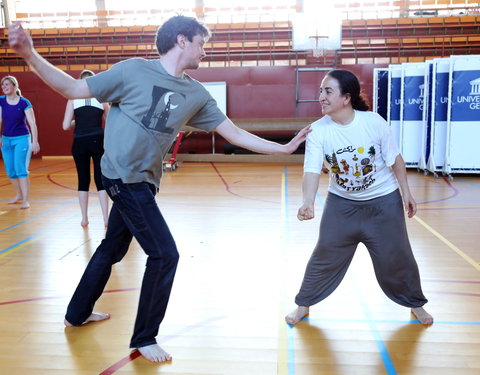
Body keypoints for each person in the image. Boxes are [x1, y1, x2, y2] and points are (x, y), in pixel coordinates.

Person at [8, 15, 310, 363]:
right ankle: (144, 337)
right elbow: (74, 90)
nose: (204, 52)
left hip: (145, 182)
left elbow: (235, 133)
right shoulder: (132, 70)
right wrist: (29, 54)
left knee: (111, 247)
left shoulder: (195, 93)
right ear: (182, 40)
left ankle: (76, 313)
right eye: (202, 43)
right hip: (122, 179)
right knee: (165, 254)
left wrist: (285, 148)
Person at [285, 69, 433, 327]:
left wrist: (406, 193)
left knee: (397, 256)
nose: (321, 96)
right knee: (324, 255)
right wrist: (307, 201)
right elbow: (311, 170)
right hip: (341, 207)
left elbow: (395, 159)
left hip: (383, 204)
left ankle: (415, 304)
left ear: (346, 97)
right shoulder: (318, 131)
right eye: (320, 91)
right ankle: (303, 305)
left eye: (327, 91)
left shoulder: (372, 122)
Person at [62, 69, 110, 227]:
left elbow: (65, 126)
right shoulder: (102, 98)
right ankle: (106, 219)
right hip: (98, 141)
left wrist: (78, 122)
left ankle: (84, 218)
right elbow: (110, 122)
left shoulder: (73, 99)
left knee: (83, 180)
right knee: (100, 180)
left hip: (80, 142)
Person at [0, 75, 40, 209]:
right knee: (10, 170)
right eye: (3, 85)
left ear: (14, 86)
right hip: (6, 140)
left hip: (22, 139)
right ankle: (18, 195)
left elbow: (32, 123)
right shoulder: (1, 101)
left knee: (20, 169)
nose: (4, 87)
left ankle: (25, 200)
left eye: (7, 84)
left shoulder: (24, 102)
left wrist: (35, 141)